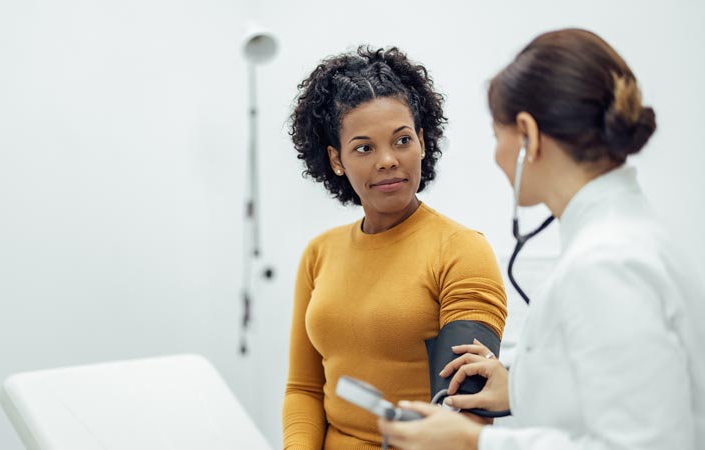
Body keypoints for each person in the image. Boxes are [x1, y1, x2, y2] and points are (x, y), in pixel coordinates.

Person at [377, 28, 705, 450]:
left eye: (498, 136)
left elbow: (646, 443)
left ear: (527, 135)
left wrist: (474, 443)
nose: (496, 154)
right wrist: (520, 389)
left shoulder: (607, 264)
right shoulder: (626, 238)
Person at [282, 46, 509, 450]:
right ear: (336, 159)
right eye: (364, 148)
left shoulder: (461, 251)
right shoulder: (319, 253)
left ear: (422, 142)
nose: (387, 160)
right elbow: (303, 389)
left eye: (401, 140)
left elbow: (463, 411)